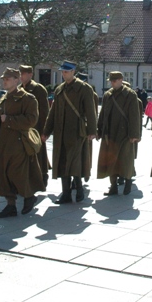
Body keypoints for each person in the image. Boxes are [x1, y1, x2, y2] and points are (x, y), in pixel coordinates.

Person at [0, 68, 45, 217]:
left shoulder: (28, 98)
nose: (4, 82)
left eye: (7, 79)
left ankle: (28, 197)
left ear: (16, 80)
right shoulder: (4, 99)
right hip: (3, 144)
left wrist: (10, 120)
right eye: (3, 79)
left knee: (17, 174)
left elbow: (31, 120)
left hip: (18, 144)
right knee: (4, 176)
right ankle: (10, 205)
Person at [42, 61, 98, 204]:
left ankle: (79, 190)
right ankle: (66, 193)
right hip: (61, 132)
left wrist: (92, 130)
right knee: (61, 161)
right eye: (62, 71)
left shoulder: (84, 89)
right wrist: (46, 131)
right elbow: (53, 112)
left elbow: (91, 111)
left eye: (66, 71)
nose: (63, 73)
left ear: (73, 71)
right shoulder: (60, 89)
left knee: (75, 162)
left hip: (77, 131)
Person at [96, 71, 141, 195]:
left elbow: (134, 116)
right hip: (109, 132)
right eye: (111, 81)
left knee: (125, 159)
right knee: (111, 160)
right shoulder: (107, 95)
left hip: (124, 133)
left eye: (114, 80)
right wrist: (99, 130)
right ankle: (113, 186)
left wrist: (134, 134)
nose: (112, 83)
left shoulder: (130, 95)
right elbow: (103, 114)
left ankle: (128, 182)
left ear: (121, 80)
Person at [20, 65, 51, 186]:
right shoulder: (19, 89)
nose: (21, 76)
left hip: (37, 128)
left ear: (30, 75)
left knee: (40, 153)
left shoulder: (39, 89)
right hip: (23, 129)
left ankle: (43, 175)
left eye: (24, 74)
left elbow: (44, 112)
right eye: (20, 74)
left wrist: (45, 131)